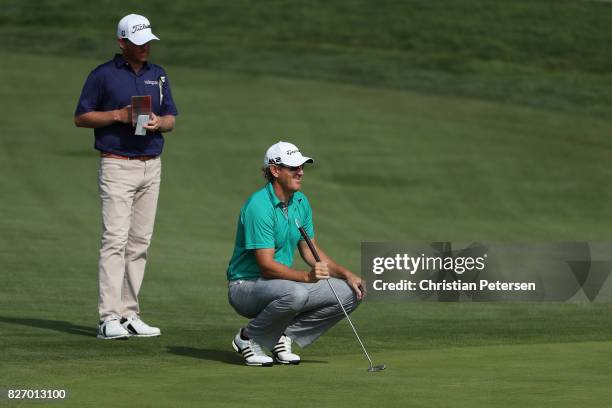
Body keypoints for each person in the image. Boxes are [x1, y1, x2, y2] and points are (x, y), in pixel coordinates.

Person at [74, 14, 178, 340]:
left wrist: (159, 123)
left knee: (139, 243)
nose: (145, 46)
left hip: (151, 165)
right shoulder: (103, 75)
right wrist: (118, 115)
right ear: (122, 43)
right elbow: (82, 117)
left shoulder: (157, 75)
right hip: (117, 164)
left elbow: (172, 117)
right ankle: (108, 318)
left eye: (148, 40)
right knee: (115, 241)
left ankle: (129, 314)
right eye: (138, 41)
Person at [226, 141, 365, 366]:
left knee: (351, 291)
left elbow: (311, 252)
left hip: (281, 284)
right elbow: (266, 265)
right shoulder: (259, 206)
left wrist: (346, 274)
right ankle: (248, 338)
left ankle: (282, 336)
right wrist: (306, 278)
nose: (300, 172)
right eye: (293, 167)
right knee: (296, 293)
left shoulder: (300, 201)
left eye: (301, 166)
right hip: (246, 286)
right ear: (275, 170)